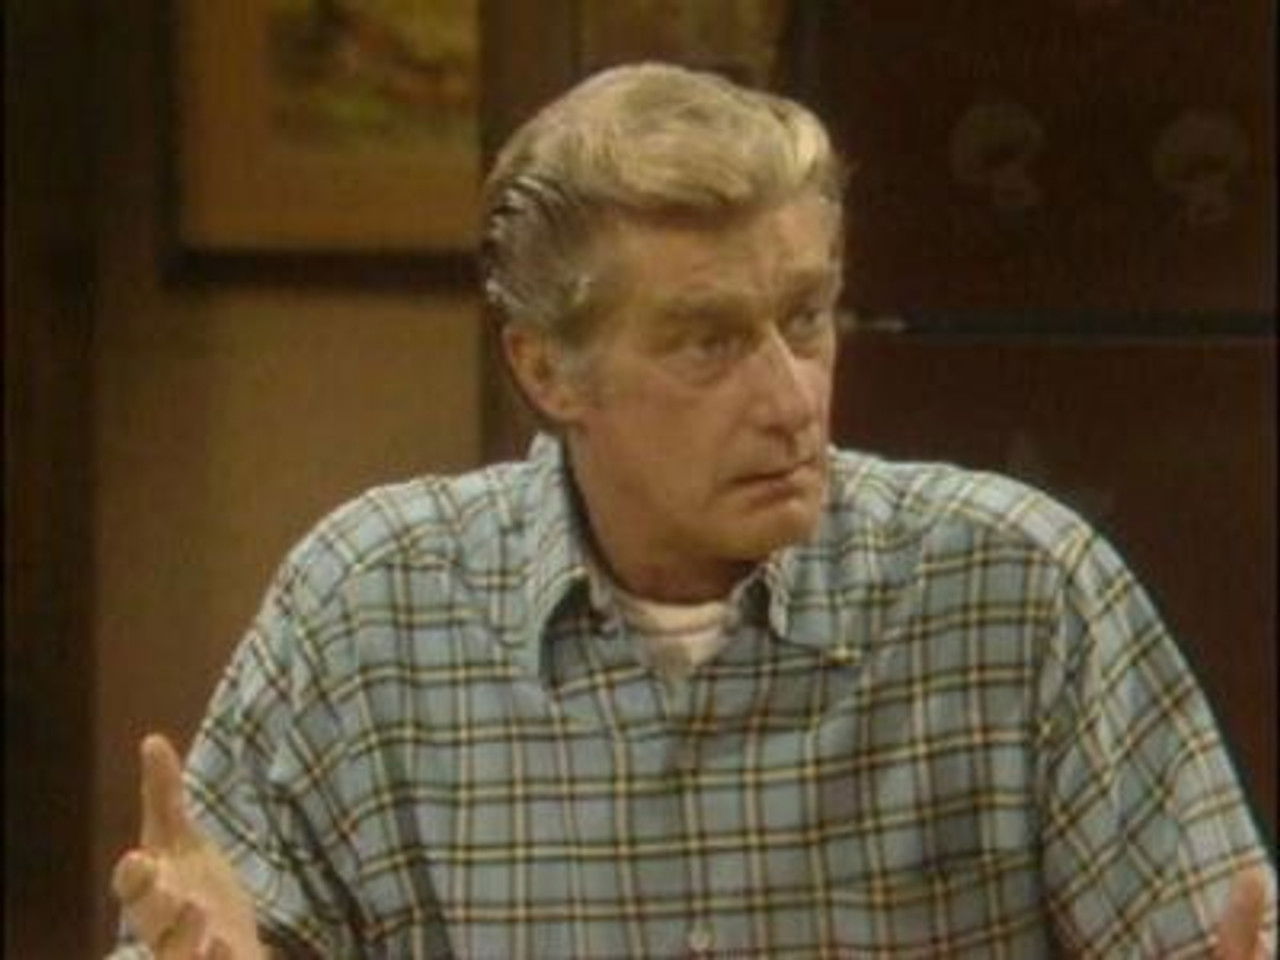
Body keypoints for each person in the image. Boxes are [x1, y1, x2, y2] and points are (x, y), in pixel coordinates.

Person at [110, 62, 1274, 958]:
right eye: (707, 342)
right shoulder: (371, 610)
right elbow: (209, 935)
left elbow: (1210, 933)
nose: (790, 399)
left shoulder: (1017, 591)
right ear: (547, 371)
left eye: (804, 319)